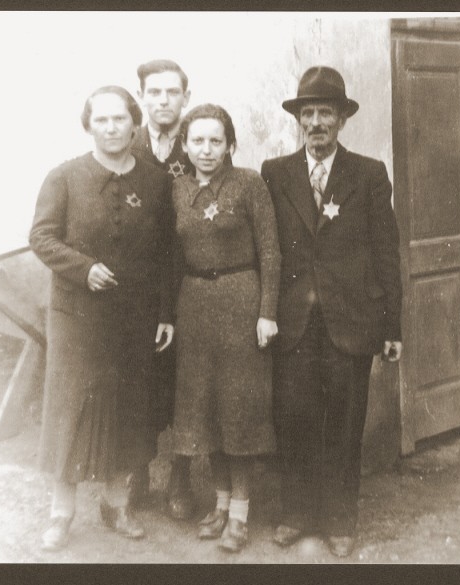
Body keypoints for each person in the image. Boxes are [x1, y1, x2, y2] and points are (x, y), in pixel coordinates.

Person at [260, 66, 403, 558]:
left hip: (350, 322)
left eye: (326, 112)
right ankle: (296, 512)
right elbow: (269, 248)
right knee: (293, 418)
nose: (316, 122)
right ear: (299, 120)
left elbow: (387, 250)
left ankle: (341, 518)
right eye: (308, 113)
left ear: (342, 119)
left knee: (344, 423)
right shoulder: (275, 173)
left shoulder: (368, 173)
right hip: (294, 322)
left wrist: (392, 326)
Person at [29, 85, 174, 551]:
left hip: (134, 318)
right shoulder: (65, 177)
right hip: (77, 318)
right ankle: (61, 513)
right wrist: (83, 269)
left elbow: (168, 251)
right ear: (89, 125)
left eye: (120, 119)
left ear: (135, 124)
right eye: (102, 120)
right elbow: (42, 237)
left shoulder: (154, 179)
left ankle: (116, 505)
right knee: (72, 409)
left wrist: (165, 312)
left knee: (128, 411)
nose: (112, 128)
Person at [171, 104, 280, 553]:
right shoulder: (176, 190)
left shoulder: (249, 184)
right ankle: (218, 504)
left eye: (216, 140)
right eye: (197, 140)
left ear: (230, 144)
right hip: (194, 308)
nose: (207, 149)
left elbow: (271, 251)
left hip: (241, 302)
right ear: (185, 145)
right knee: (205, 412)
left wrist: (267, 312)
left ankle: (240, 513)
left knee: (240, 413)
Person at [130, 59, 215, 519]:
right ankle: (136, 473)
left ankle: (180, 480)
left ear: (185, 95)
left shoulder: (200, 144)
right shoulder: (128, 141)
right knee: (138, 383)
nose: (163, 100)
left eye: (171, 92)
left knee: (188, 386)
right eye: (154, 92)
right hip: (138, 288)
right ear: (142, 96)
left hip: (187, 285)